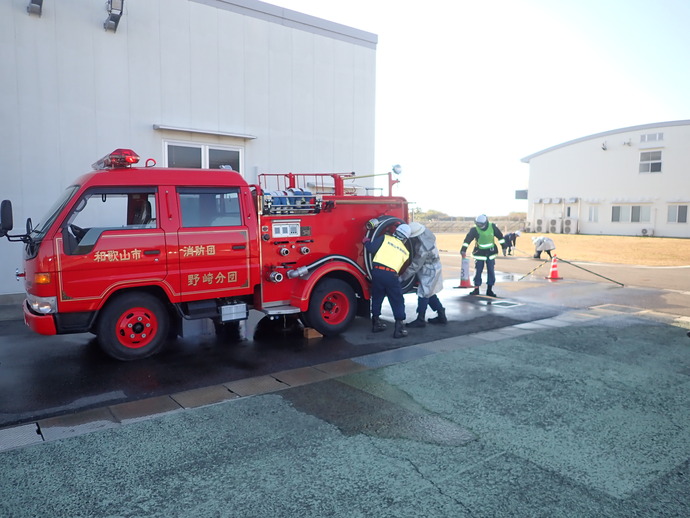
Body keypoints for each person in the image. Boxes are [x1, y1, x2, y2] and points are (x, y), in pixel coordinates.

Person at [363, 223, 411, 338]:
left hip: (377, 272)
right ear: (405, 238)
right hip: (391, 275)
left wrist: (366, 241)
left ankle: (376, 323)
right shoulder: (406, 252)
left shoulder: (385, 238)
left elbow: (371, 248)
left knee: (377, 297)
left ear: (396, 232)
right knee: (397, 300)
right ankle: (399, 328)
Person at [401, 222, 447, 327]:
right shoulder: (427, 235)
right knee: (429, 292)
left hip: (429, 270)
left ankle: (420, 319)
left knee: (423, 293)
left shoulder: (423, 249)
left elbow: (415, 265)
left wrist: (402, 277)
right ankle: (441, 315)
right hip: (434, 267)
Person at [461, 214, 505, 297]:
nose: (479, 226)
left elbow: (500, 236)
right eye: (478, 224)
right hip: (479, 253)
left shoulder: (492, 227)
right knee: (478, 271)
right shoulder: (474, 229)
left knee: (491, 271)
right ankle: (476, 288)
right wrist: (463, 249)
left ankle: (489, 290)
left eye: (480, 224)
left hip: (490, 253)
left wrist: (504, 247)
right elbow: (467, 239)